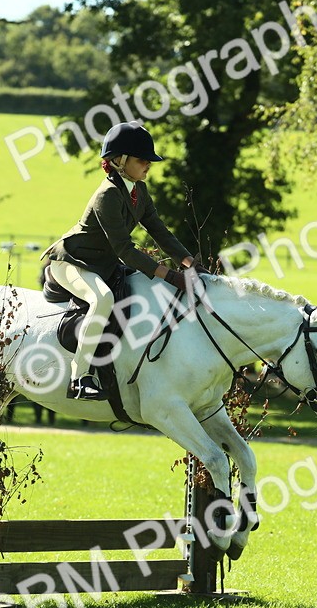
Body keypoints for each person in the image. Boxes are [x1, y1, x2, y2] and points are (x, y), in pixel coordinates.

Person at [42, 121, 205, 400]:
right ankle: (79, 378)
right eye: (142, 159)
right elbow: (125, 250)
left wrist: (189, 262)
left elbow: (159, 231)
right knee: (102, 299)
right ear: (120, 160)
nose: (148, 164)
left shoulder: (139, 191)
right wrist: (170, 275)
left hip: (101, 264)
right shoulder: (107, 195)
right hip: (72, 262)